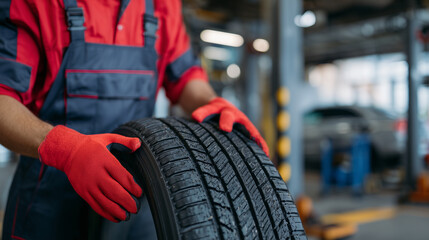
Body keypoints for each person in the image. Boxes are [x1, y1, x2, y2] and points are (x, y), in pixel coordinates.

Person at [0, 0, 269, 239]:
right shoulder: (35, 3)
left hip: (132, 200)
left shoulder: (161, 5)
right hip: (48, 206)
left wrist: (212, 103)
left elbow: (185, 76)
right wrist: (66, 151)